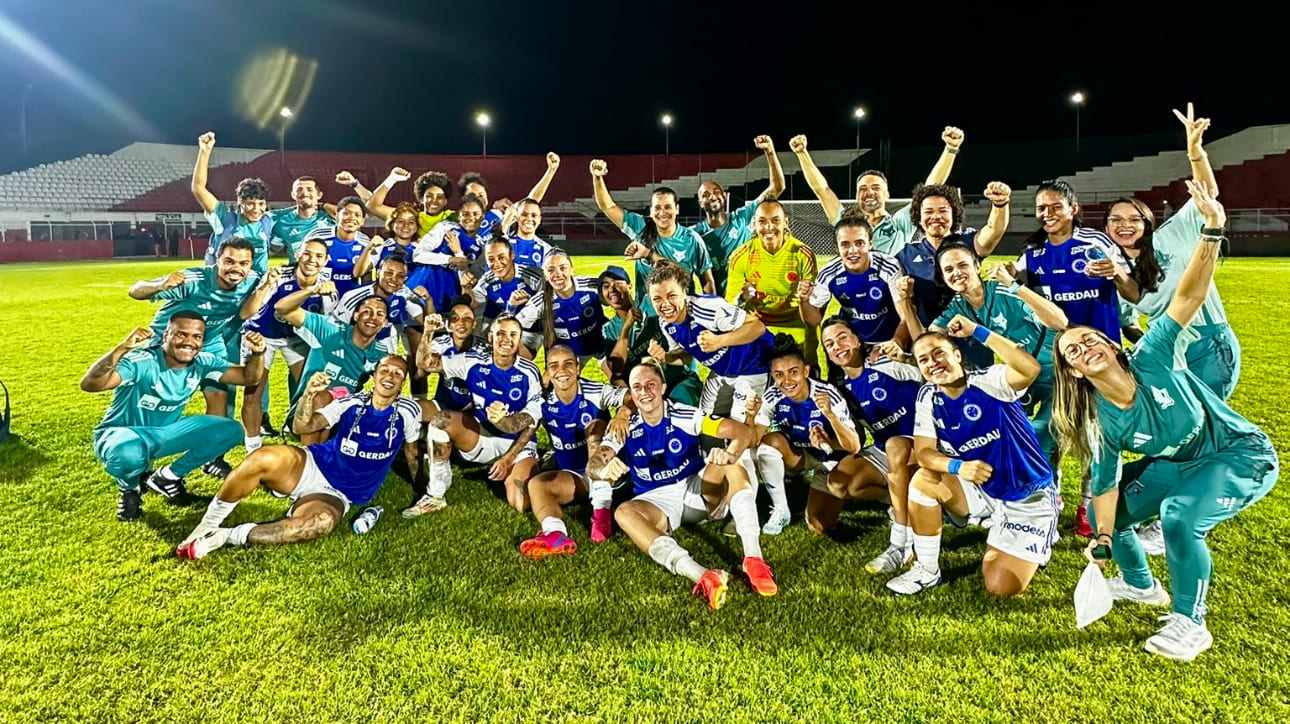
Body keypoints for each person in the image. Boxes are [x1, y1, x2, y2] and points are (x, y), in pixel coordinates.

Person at [1051, 181, 1277, 661]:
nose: (1085, 347)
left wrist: (1212, 233)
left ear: (1112, 346)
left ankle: (1190, 623)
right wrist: (1106, 537)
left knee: (1177, 517)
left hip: (1237, 455)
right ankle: (1140, 585)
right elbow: (1107, 486)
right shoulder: (1102, 421)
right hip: (1177, 462)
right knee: (1097, 512)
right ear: (1073, 370)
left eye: (1090, 339)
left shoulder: (1153, 355)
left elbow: (1188, 297)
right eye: (1073, 350)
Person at [175, 358, 425, 559]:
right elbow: (303, 426)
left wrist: (419, 485)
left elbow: (412, 451)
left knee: (318, 525)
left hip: (337, 493)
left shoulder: (408, 412)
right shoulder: (351, 403)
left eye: (397, 373)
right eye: (385, 370)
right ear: (374, 375)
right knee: (262, 458)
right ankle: (207, 526)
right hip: (314, 464)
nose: (389, 377)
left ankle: (225, 536)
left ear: (403, 383)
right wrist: (307, 394)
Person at [885, 318, 1058, 598]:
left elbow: (1030, 368)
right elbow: (925, 453)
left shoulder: (988, 381)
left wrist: (978, 331)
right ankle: (927, 572)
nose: (933, 362)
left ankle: (1036, 533)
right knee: (923, 480)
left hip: (1027, 496)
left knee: (1001, 587)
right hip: (980, 487)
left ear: (957, 355)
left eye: (939, 353)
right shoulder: (928, 396)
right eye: (924, 359)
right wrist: (956, 467)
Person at [588, 362, 777, 610]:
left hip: (698, 489)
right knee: (624, 512)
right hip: (657, 501)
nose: (644, 392)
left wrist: (729, 455)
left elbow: (741, 432)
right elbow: (593, 465)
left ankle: (754, 559)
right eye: (637, 387)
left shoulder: (685, 416)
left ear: (663, 388)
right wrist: (603, 469)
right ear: (631, 395)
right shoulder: (624, 428)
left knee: (733, 465)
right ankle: (703, 576)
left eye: (650, 385)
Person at [1017, 178, 1139, 534]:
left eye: (1056, 206)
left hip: (1102, 357)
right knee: (1056, 427)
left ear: (1073, 209)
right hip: (1060, 359)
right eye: (1042, 208)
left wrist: (1116, 272)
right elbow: (1026, 304)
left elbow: (1131, 293)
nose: (1048, 213)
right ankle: (1049, 495)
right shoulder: (1033, 255)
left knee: (1098, 434)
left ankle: (1089, 504)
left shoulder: (1096, 243)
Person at [1104, 105, 1238, 400]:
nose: (1124, 225)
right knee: (1176, 425)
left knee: (1205, 425)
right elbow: (1133, 308)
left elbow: (1207, 193)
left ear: (1147, 222)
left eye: (1133, 219)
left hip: (1208, 344)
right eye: (1116, 220)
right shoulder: (1114, 262)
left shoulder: (1173, 234)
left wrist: (1195, 152)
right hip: (1165, 347)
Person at [897, 241, 1069, 463]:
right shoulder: (957, 307)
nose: (957, 273)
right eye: (948, 270)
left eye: (963, 265)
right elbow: (926, 342)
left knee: (1039, 437)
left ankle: (1054, 493)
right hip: (1023, 377)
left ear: (976, 266)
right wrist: (906, 302)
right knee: (1011, 438)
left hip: (1059, 374)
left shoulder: (1004, 290)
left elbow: (1060, 321)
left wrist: (1014, 284)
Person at [81, 316, 265, 521]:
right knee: (127, 452)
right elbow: (91, 384)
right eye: (181, 334)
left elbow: (249, 377)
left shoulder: (203, 362)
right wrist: (121, 349)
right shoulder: (142, 361)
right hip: (121, 434)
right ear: (165, 336)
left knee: (230, 430)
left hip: (165, 434)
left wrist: (257, 353)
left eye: (197, 336)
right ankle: (130, 490)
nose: (189, 342)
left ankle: (166, 477)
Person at [128, 237, 261, 476]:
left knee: (220, 396)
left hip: (209, 344)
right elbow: (135, 291)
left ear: (251, 264)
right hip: (168, 345)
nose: (236, 268)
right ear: (217, 260)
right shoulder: (193, 280)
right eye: (229, 261)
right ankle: (142, 467)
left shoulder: (252, 280)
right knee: (158, 405)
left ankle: (212, 458)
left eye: (244, 263)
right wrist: (160, 284)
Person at [820, 318, 924, 574]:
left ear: (858, 339)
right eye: (829, 344)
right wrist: (827, 440)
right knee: (840, 483)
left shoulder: (886, 363)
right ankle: (901, 502)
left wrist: (907, 358)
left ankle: (902, 542)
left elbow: (928, 376)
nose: (837, 346)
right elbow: (854, 441)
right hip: (886, 449)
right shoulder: (840, 390)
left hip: (922, 443)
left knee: (894, 446)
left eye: (842, 337)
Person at [750, 334, 879, 537]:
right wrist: (750, 417)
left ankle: (874, 493)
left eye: (793, 372)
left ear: (806, 371)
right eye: (779, 374)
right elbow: (753, 439)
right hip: (802, 455)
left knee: (819, 527)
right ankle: (781, 509)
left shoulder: (828, 394)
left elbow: (854, 446)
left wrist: (829, 418)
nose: (786, 381)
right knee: (768, 444)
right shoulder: (772, 396)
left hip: (833, 459)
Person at [417, 314, 542, 512]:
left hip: (516, 444)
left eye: (513, 334)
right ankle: (436, 493)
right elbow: (425, 363)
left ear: (519, 340)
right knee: (440, 421)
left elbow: (532, 423)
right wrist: (428, 332)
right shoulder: (473, 361)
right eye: (500, 333)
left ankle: (533, 464)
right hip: (481, 434)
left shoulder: (529, 371)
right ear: (490, 338)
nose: (506, 340)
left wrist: (508, 457)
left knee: (521, 503)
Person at [519, 345, 629, 557]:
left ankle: (602, 516)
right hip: (575, 476)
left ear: (578, 368)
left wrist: (623, 412)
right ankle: (556, 534)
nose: (562, 370)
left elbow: (630, 397)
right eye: (554, 366)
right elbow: (520, 424)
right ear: (548, 373)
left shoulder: (596, 391)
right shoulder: (542, 399)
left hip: (611, 475)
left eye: (568, 364)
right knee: (536, 485)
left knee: (595, 428)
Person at [789, 127, 964, 254]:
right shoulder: (847, 221)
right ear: (857, 195)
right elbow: (822, 189)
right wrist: (802, 153)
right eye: (863, 188)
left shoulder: (900, 223)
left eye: (876, 188)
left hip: (893, 294)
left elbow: (929, 189)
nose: (869, 192)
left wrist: (951, 149)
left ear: (887, 194)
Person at [236, 239, 335, 452]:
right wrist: (265, 285)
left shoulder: (328, 282)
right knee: (253, 392)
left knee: (314, 388)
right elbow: (246, 313)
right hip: (262, 334)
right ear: (298, 254)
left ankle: (308, 438)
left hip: (296, 339)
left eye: (319, 256)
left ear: (327, 261)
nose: (312, 260)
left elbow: (327, 324)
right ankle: (253, 448)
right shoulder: (279, 276)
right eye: (308, 254)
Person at [648, 261, 773, 419]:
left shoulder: (708, 308)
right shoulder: (665, 323)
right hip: (723, 371)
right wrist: (666, 357)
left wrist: (718, 341)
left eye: (671, 295)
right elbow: (686, 355)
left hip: (754, 364)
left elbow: (757, 327)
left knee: (741, 424)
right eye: (657, 299)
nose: (665, 304)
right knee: (707, 421)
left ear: (684, 293)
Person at [590, 160, 714, 314]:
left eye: (668, 207)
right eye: (657, 208)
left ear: (677, 209)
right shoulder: (641, 228)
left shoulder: (692, 240)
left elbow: (707, 282)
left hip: (680, 314)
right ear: (650, 211)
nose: (662, 213)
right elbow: (607, 206)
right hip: (648, 315)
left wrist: (712, 311)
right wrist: (597, 178)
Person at [276, 287, 399, 443]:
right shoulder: (329, 330)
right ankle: (311, 458)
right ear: (356, 315)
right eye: (367, 311)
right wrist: (313, 290)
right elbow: (282, 308)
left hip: (344, 416)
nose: (373, 318)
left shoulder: (380, 352)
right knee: (322, 397)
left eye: (380, 314)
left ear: (385, 323)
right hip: (305, 414)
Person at [895, 181, 1012, 332]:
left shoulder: (968, 243)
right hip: (927, 340)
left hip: (972, 338)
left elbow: (994, 229)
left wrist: (1000, 204)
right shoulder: (906, 255)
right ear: (918, 217)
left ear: (954, 214)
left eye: (943, 210)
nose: (936, 216)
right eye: (929, 212)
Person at [724, 197, 820, 361]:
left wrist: (804, 298)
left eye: (775, 220)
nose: (769, 227)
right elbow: (729, 310)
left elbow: (814, 315)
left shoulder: (803, 254)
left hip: (797, 324)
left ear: (785, 222)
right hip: (760, 327)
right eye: (762, 221)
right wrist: (742, 297)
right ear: (754, 224)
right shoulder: (740, 257)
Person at [690, 135, 786, 295]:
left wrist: (769, 152)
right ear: (700, 203)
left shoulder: (743, 217)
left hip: (755, 302)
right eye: (705, 195)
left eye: (716, 192)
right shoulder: (696, 235)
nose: (712, 196)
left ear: (724, 196)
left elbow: (777, 187)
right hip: (723, 307)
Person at [599, 265, 702, 405]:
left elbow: (686, 337)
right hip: (646, 392)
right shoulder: (608, 330)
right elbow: (616, 370)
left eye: (617, 282)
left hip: (678, 380)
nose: (612, 289)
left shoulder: (651, 302)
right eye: (606, 286)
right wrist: (626, 328)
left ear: (629, 286)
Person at [800, 215, 906, 349]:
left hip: (889, 339)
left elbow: (906, 316)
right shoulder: (829, 273)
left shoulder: (889, 267)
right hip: (853, 344)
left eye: (859, 243)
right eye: (845, 244)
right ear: (837, 249)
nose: (853, 251)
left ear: (870, 244)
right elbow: (812, 320)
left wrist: (894, 344)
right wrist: (803, 300)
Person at [189, 132, 274, 275]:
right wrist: (205, 151)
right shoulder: (225, 219)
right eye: (251, 203)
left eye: (261, 203)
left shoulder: (268, 221)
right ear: (240, 202)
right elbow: (198, 189)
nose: (257, 209)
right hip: (224, 287)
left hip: (255, 289)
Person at [515, 251, 606, 362]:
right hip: (566, 353)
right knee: (553, 378)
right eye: (551, 270)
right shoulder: (540, 303)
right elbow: (513, 324)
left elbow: (615, 298)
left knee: (619, 376)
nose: (557, 274)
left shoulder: (590, 287)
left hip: (598, 344)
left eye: (563, 268)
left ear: (572, 270)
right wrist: (511, 307)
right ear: (545, 276)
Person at [331, 251, 426, 351]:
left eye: (400, 276)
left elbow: (424, 321)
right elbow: (336, 329)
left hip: (383, 341)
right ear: (378, 273)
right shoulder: (354, 297)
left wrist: (428, 300)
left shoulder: (404, 295)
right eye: (389, 273)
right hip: (352, 343)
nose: (394, 279)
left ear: (405, 280)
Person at [471, 238, 545, 337]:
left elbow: (550, 304)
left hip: (531, 328)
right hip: (503, 320)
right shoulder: (487, 281)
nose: (496, 264)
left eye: (501, 257)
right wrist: (466, 287)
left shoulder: (533, 277)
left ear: (512, 255)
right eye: (491, 259)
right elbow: (472, 303)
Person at [304, 196, 371, 298]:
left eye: (357, 215)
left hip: (348, 297)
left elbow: (367, 275)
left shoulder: (366, 243)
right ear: (336, 216)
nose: (351, 218)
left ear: (362, 221)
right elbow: (302, 263)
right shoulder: (318, 235)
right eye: (346, 213)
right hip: (317, 294)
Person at [270, 176, 334, 264]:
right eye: (299, 190)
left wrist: (355, 184)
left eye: (309, 189)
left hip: (328, 275)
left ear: (319, 195)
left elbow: (357, 212)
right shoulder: (283, 222)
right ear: (293, 195)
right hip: (298, 275)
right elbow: (272, 250)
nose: (304, 193)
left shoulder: (330, 218)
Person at [507, 198, 559, 269]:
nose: (529, 219)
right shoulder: (504, 244)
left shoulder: (546, 250)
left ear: (539, 220)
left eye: (534, 215)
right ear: (516, 218)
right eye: (524, 214)